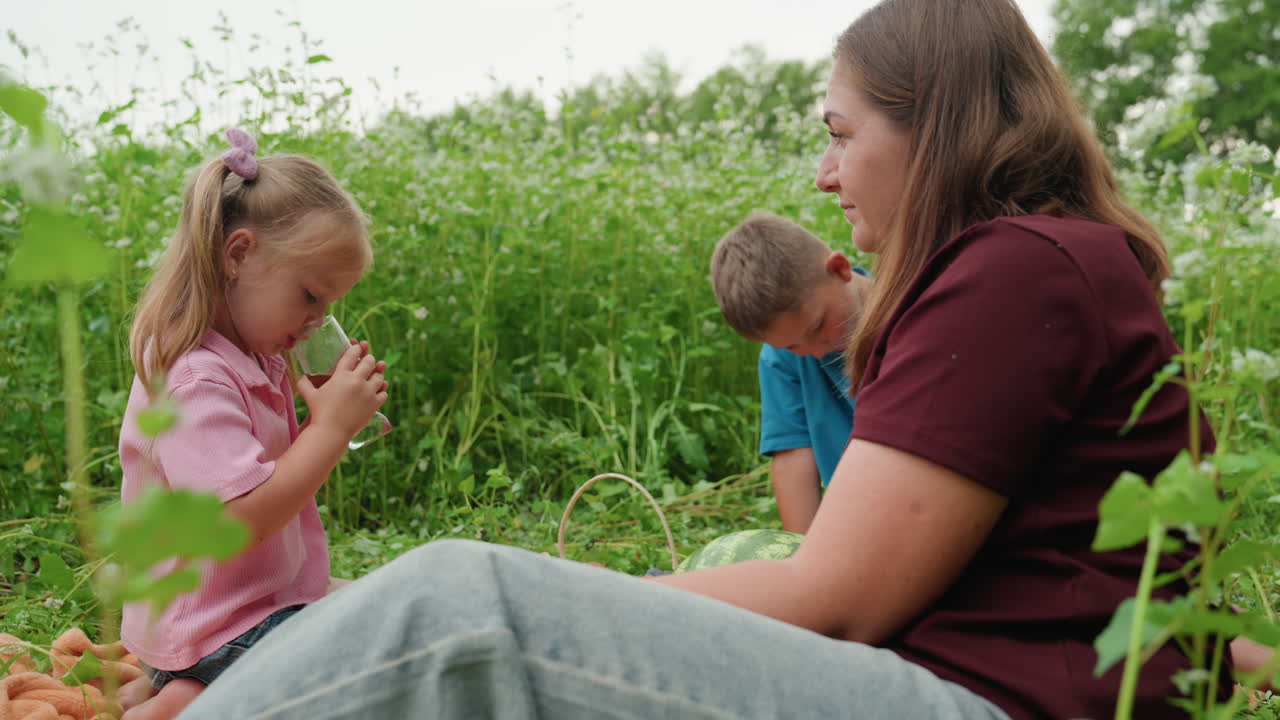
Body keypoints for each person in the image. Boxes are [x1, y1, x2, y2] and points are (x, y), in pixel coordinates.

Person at [178, 2, 1228, 718]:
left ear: (935, 129)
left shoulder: (1014, 270)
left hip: (986, 700)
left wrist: (605, 593)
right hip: (960, 675)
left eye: (839, 133)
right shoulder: (1026, 267)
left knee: (466, 605)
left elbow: (836, 595)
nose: (822, 174)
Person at [115, 129, 388, 720]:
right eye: (310, 295)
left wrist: (323, 410)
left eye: (328, 306)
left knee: (375, 601)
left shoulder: (252, 356)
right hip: (216, 626)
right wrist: (329, 431)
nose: (317, 320)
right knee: (364, 648)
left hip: (239, 609)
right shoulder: (195, 381)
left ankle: (175, 682)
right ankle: (187, 695)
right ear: (237, 255)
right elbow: (243, 521)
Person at [710, 212, 871, 532]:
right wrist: (801, 550)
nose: (815, 352)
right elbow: (793, 456)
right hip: (858, 525)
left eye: (817, 326)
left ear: (840, 269)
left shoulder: (911, 319)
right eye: (792, 346)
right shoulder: (780, 359)